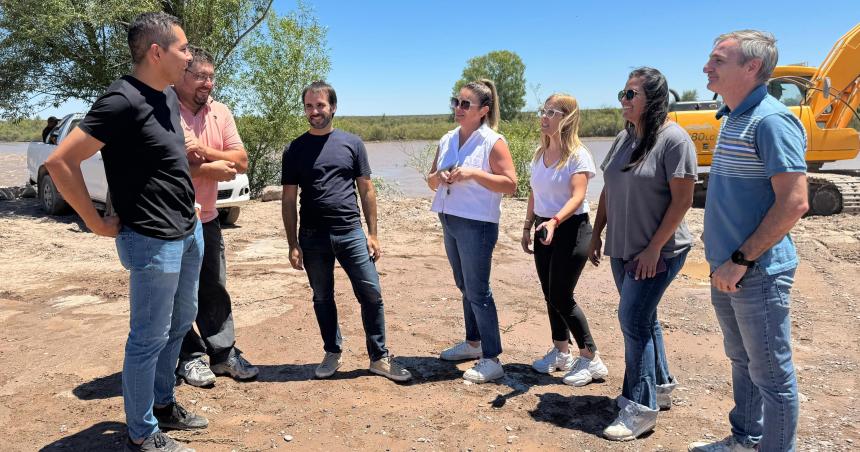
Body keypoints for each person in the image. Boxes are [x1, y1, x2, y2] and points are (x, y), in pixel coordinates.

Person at [45, 12, 205, 452]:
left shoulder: (168, 97)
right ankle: (141, 431)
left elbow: (164, 161)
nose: (189, 57)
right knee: (148, 336)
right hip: (151, 239)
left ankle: (164, 404)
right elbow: (60, 163)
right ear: (157, 52)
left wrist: (186, 200)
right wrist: (95, 222)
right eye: (183, 48)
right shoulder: (121, 100)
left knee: (178, 324)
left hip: (188, 231)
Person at [688, 30, 808, 452]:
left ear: (752, 67)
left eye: (718, 60)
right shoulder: (734, 115)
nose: (707, 66)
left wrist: (741, 259)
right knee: (742, 362)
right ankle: (745, 439)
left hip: (754, 271)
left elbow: (794, 203)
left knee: (772, 376)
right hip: (728, 268)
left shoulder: (771, 120)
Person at [588, 67, 697, 441]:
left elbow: (683, 201)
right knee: (644, 319)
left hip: (659, 252)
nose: (623, 100)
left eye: (631, 94)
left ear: (653, 99)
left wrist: (654, 250)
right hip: (622, 247)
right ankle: (661, 386)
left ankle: (641, 406)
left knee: (632, 320)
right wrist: (596, 232)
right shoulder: (624, 138)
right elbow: (608, 190)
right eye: (622, 93)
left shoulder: (674, 140)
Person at [281, 81, 412, 382]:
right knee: (322, 297)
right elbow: (288, 200)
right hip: (313, 236)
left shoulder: (352, 144)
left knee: (372, 294)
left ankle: (379, 358)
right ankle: (332, 352)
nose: (314, 111)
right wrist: (292, 243)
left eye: (320, 105)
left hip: (351, 232)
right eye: (309, 106)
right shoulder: (294, 149)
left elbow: (366, 190)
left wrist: (373, 233)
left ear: (333, 107)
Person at [173, 45, 258, 387]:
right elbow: (172, 165)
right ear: (181, 76)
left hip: (207, 219)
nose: (207, 83)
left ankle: (223, 355)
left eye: (211, 76)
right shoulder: (165, 108)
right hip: (171, 221)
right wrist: (211, 169)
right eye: (199, 76)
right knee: (179, 295)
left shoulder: (220, 111)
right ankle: (189, 357)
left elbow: (240, 161)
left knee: (214, 288)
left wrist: (204, 154)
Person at [427, 79, 517, 383]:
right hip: (449, 217)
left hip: (478, 224)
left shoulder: (493, 141)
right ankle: (473, 344)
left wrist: (473, 174)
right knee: (464, 284)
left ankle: (492, 358)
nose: (458, 108)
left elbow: (511, 184)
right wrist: (439, 176)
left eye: (466, 104)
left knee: (478, 290)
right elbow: (430, 179)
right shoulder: (448, 138)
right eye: (456, 101)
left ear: (483, 111)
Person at [521, 93, 608, 386]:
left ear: (567, 117)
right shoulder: (539, 154)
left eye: (552, 112)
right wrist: (527, 227)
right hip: (544, 228)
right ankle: (561, 352)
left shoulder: (578, 155)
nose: (544, 117)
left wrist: (555, 221)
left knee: (561, 295)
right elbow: (535, 193)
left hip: (571, 229)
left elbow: (578, 196)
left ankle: (591, 358)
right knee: (549, 293)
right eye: (542, 111)